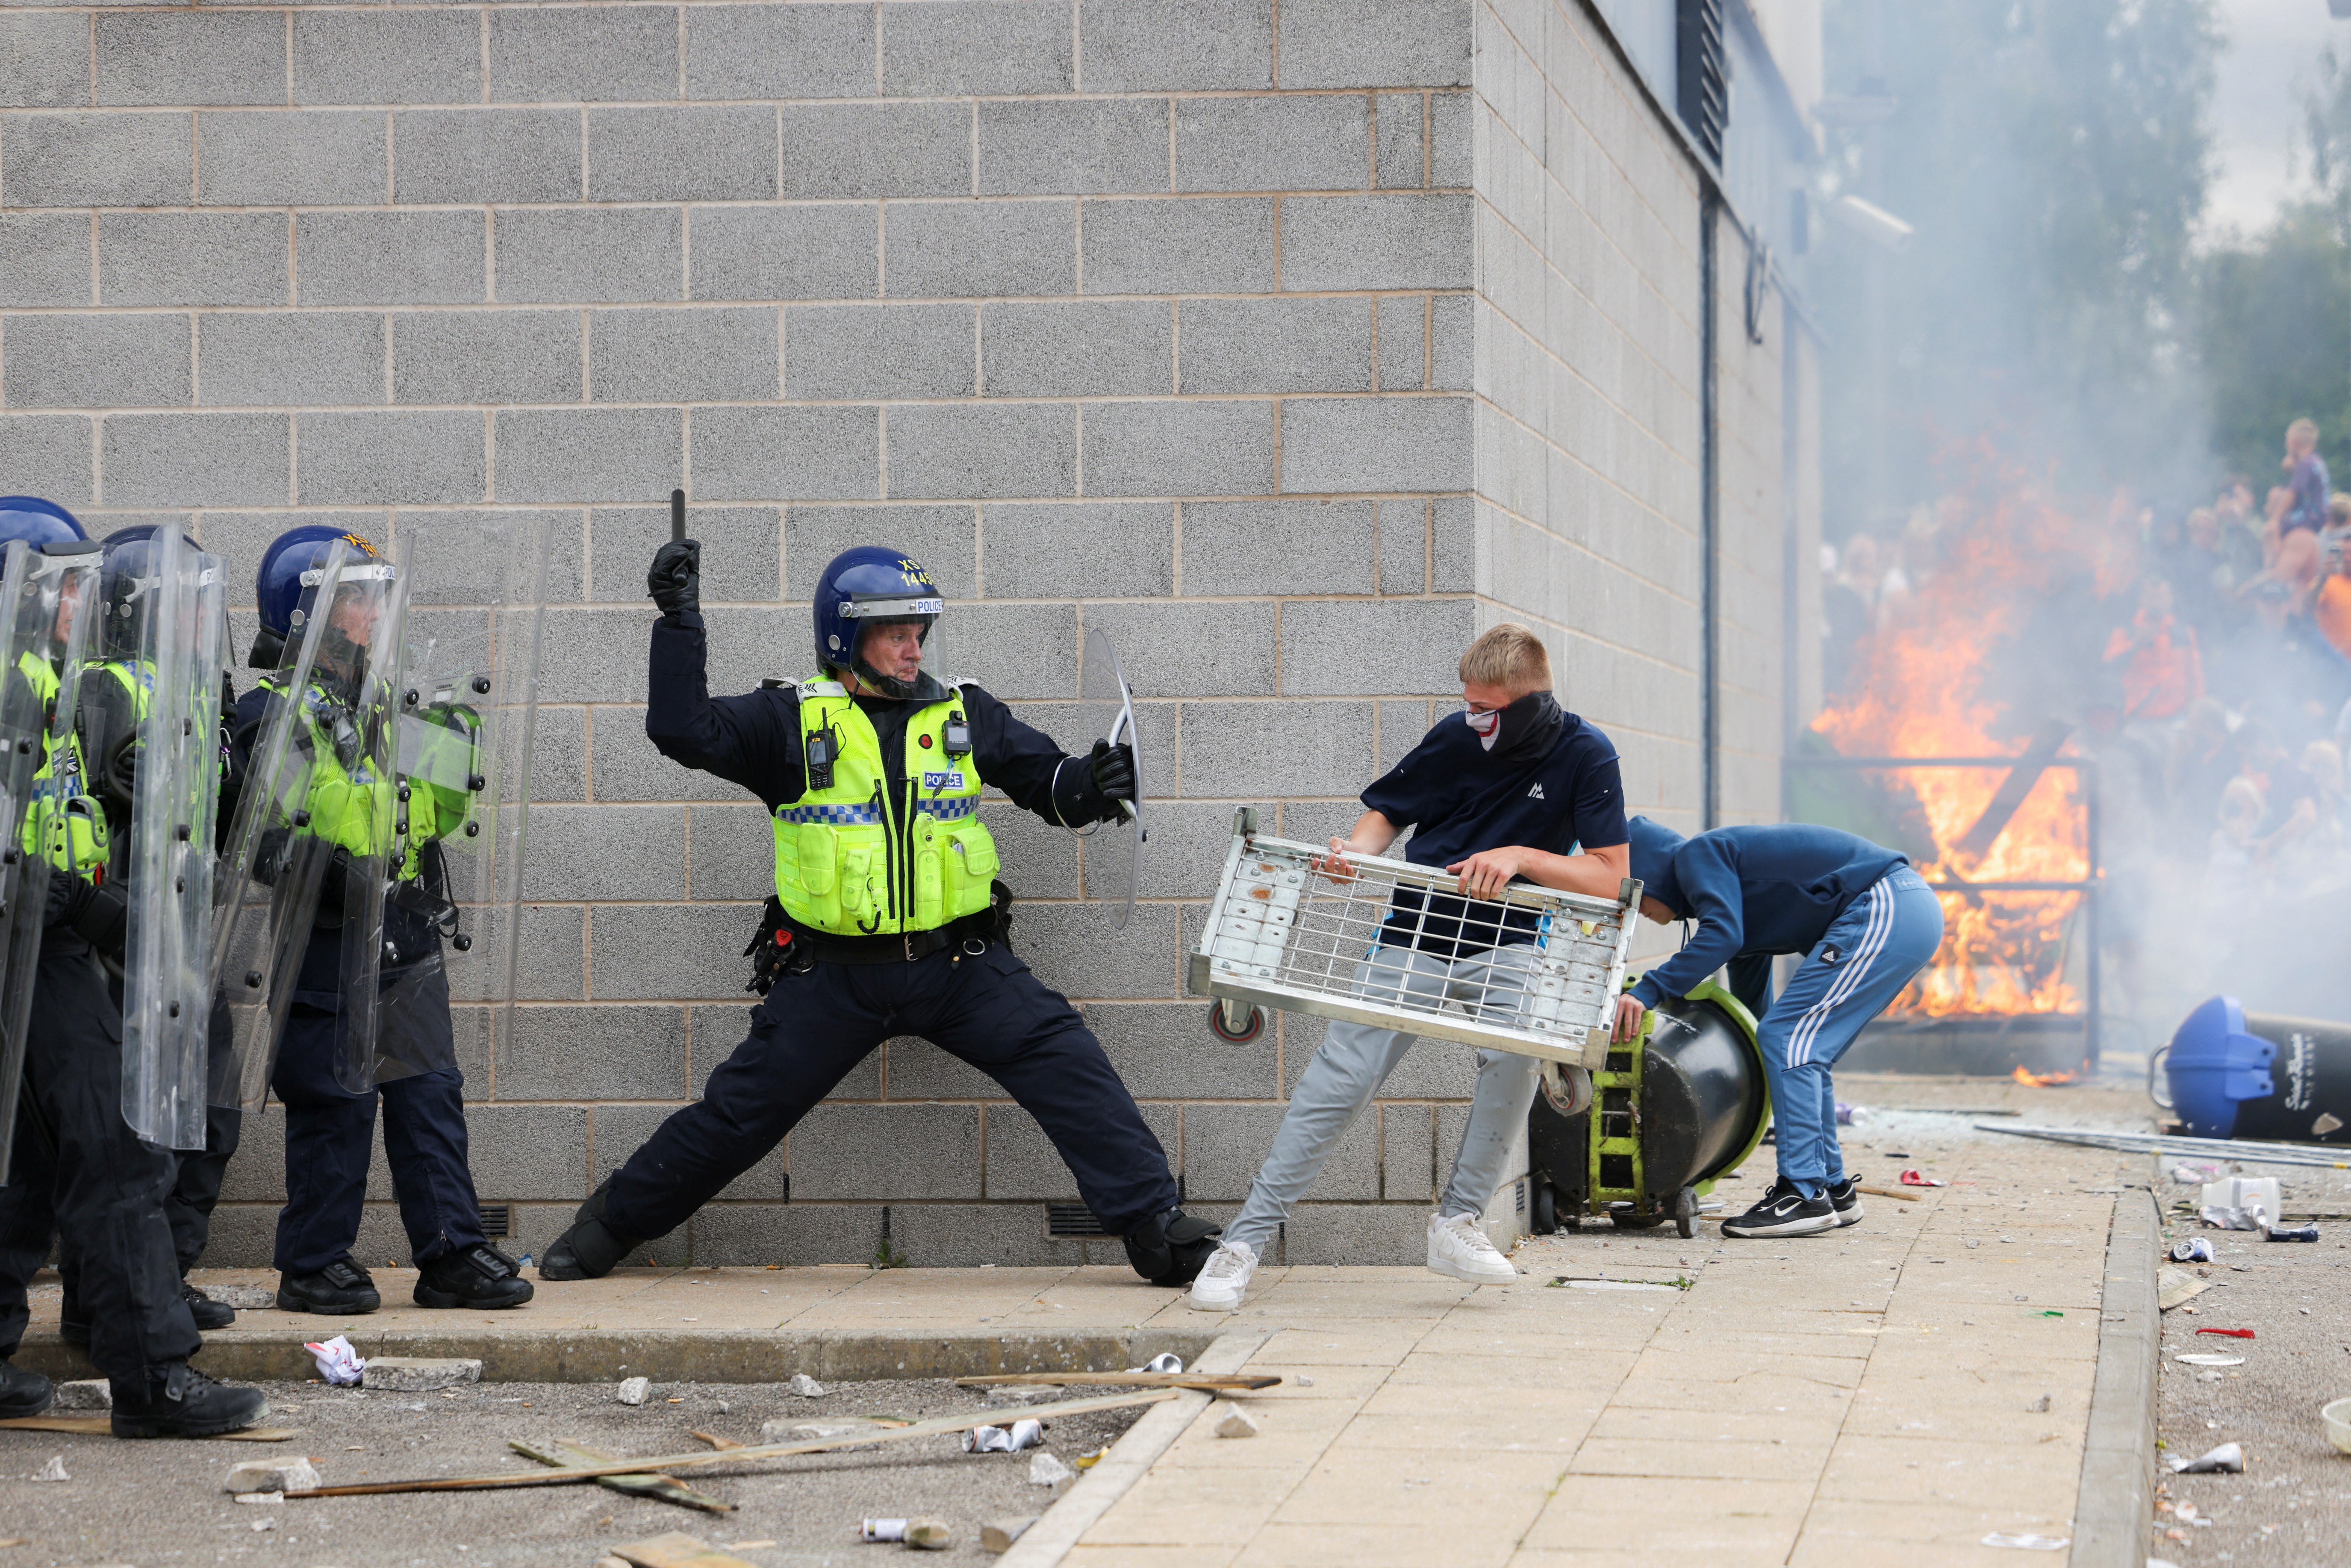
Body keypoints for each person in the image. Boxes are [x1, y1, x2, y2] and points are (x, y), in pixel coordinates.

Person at [539, 541, 1222, 1288]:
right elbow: (683, 732)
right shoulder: (788, 721)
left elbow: (1050, 785)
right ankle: (608, 1226)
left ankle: (1156, 1229)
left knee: (1067, 1058)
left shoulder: (964, 711)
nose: (913, 645)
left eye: (919, 629)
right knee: (740, 1114)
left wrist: (1096, 780)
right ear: (844, 638)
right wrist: (679, 622)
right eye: (894, 631)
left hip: (960, 966)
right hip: (833, 976)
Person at [1186, 624, 1632, 1312]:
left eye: (1487, 709)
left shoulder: (1586, 754)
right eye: (1469, 705)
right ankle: (1242, 1244)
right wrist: (1352, 853)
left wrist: (1521, 857)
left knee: (1516, 1060)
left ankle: (1457, 1223)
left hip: (1510, 941)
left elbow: (1609, 876)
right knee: (1340, 1082)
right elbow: (1386, 811)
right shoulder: (1457, 738)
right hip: (1417, 930)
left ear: (1531, 707)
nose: (1473, 719)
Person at [0, 500, 267, 1436]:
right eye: (60, 588)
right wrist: (78, 903)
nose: (80, 604)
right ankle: (152, 1378)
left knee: (27, 1160)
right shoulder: (13, 683)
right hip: (29, 934)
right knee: (113, 1148)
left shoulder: (46, 684)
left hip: (47, 931)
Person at [227, 526, 533, 1315]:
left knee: (431, 1092)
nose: (372, 613)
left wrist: (452, 724)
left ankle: (452, 1251)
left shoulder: (392, 705)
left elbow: (452, 805)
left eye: (375, 597)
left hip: (402, 923)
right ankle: (313, 1260)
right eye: (356, 598)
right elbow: (264, 834)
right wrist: (331, 871)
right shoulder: (272, 713)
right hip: (326, 933)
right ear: (310, 615)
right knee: (335, 1102)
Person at [1616, 816, 1944, 1239]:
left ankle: (1803, 1194)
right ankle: (1831, 1186)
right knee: (1797, 1047)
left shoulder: (1697, 855)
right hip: (1901, 910)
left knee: (1792, 1040)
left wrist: (1646, 991)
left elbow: (1722, 938)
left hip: (1886, 905)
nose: (1632, 908)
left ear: (1650, 871)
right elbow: (1756, 1018)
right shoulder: (1733, 909)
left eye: (1631, 891)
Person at [2281, 418, 2332, 541]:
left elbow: (2292, 493)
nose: (2285, 445)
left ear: (2294, 442)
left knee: (2278, 526)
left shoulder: (2306, 464)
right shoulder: (2315, 461)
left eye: (2287, 441)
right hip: (2321, 516)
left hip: (2311, 517)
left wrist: (2276, 519)